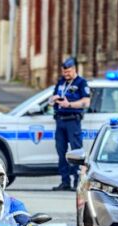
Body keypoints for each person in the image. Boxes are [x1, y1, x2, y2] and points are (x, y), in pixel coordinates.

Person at [50, 57, 90, 191]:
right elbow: (52, 98)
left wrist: (69, 104)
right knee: (61, 152)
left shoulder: (81, 83)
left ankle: (77, 182)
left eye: (68, 72)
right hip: (60, 120)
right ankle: (65, 181)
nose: (66, 74)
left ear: (74, 69)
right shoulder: (61, 82)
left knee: (76, 152)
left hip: (73, 120)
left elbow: (86, 102)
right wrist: (54, 99)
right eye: (64, 72)